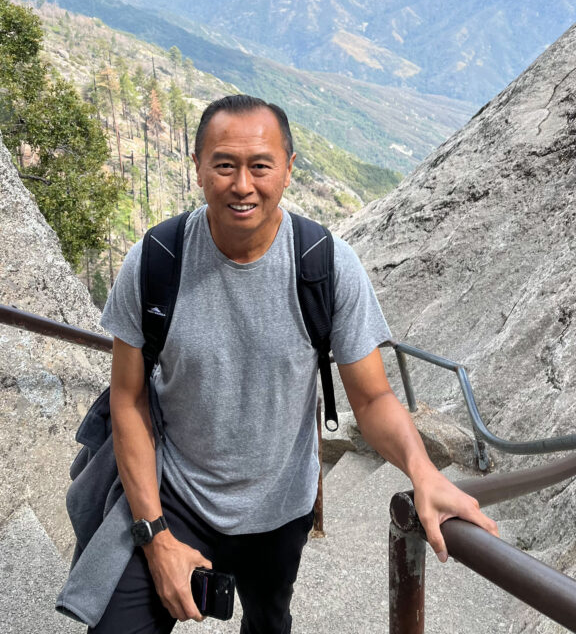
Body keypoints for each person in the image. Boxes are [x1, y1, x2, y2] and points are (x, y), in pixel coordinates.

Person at [93, 94, 497, 634]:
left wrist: (423, 472)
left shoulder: (325, 266)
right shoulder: (157, 260)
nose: (242, 184)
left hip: (280, 508)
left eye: (260, 165)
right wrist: (154, 535)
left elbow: (373, 398)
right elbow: (129, 397)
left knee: (268, 620)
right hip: (175, 497)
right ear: (197, 169)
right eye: (224, 165)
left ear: (287, 169)